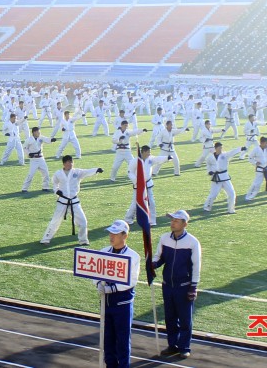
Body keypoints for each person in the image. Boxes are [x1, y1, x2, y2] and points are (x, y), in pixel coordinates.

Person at [152, 210, 201, 360]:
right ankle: (172, 345)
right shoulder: (164, 238)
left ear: (185, 224)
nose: (172, 223)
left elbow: (196, 266)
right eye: (172, 220)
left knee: (185, 319)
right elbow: (159, 257)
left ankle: (184, 347)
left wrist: (193, 287)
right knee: (170, 318)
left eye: (176, 221)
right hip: (167, 286)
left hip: (184, 286)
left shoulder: (192, 242)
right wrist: (153, 264)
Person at [95, 220, 140, 368]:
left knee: (122, 340)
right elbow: (94, 271)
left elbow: (131, 280)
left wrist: (111, 289)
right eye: (110, 233)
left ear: (124, 235)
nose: (111, 236)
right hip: (106, 303)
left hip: (123, 305)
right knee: (107, 339)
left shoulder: (133, 256)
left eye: (115, 233)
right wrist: (98, 285)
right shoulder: (103, 251)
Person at [41, 155, 104, 246]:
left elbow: (86, 172)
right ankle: (45, 239)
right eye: (68, 162)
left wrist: (96, 170)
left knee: (83, 222)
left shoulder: (77, 172)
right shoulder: (58, 173)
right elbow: (54, 182)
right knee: (55, 221)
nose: (70, 164)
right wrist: (57, 190)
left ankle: (83, 240)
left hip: (74, 201)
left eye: (71, 162)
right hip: (62, 201)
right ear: (64, 163)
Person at [123, 146, 169, 225]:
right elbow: (130, 172)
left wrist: (167, 158)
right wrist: (136, 181)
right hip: (138, 184)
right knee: (135, 203)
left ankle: (152, 221)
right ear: (143, 152)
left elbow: (157, 159)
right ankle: (128, 219)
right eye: (148, 152)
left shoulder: (150, 159)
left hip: (148, 183)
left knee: (151, 202)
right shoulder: (135, 161)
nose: (149, 153)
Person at [203, 142, 246, 213]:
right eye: (219, 148)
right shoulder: (210, 157)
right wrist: (209, 172)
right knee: (213, 195)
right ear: (216, 148)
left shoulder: (225, 155)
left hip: (225, 177)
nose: (221, 149)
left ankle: (231, 209)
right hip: (216, 177)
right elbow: (208, 166)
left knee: (232, 193)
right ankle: (207, 207)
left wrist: (240, 149)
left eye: (221, 148)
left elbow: (232, 152)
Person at [21, 127, 56, 192]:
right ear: (34, 132)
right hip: (34, 159)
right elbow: (24, 148)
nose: (39, 133)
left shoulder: (41, 137)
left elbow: (47, 139)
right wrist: (29, 154)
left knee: (46, 173)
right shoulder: (29, 140)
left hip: (41, 158)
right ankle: (24, 188)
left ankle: (45, 187)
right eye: (38, 132)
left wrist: (51, 140)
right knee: (31, 174)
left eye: (39, 132)